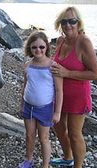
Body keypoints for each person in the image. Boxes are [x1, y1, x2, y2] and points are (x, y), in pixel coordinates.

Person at [50, 6, 97, 168]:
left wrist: (67, 73)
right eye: (64, 21)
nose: (68, 25)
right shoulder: (60, 41)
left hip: (78, 96)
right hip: (59, 95)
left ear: (78, 23)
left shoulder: (83, 42)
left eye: (72, 21)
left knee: (74, 134)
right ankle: (67, 157)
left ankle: (77, 166)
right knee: (58, 127)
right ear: (59, 23)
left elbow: (96, 73)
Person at [18, 31, 63, 168]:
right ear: (30, 48)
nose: (38, 50)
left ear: (47, 47)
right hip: (28, 106)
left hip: (45, 109)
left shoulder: (53, 66)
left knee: (44, 138)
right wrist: (22, 104)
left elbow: (59, 90)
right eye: (34, 47)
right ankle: (29, 159)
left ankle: (45, 165)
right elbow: (26, 85)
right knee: (29, 135)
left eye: (41, 47)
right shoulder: (27, 65)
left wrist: (57, 112)